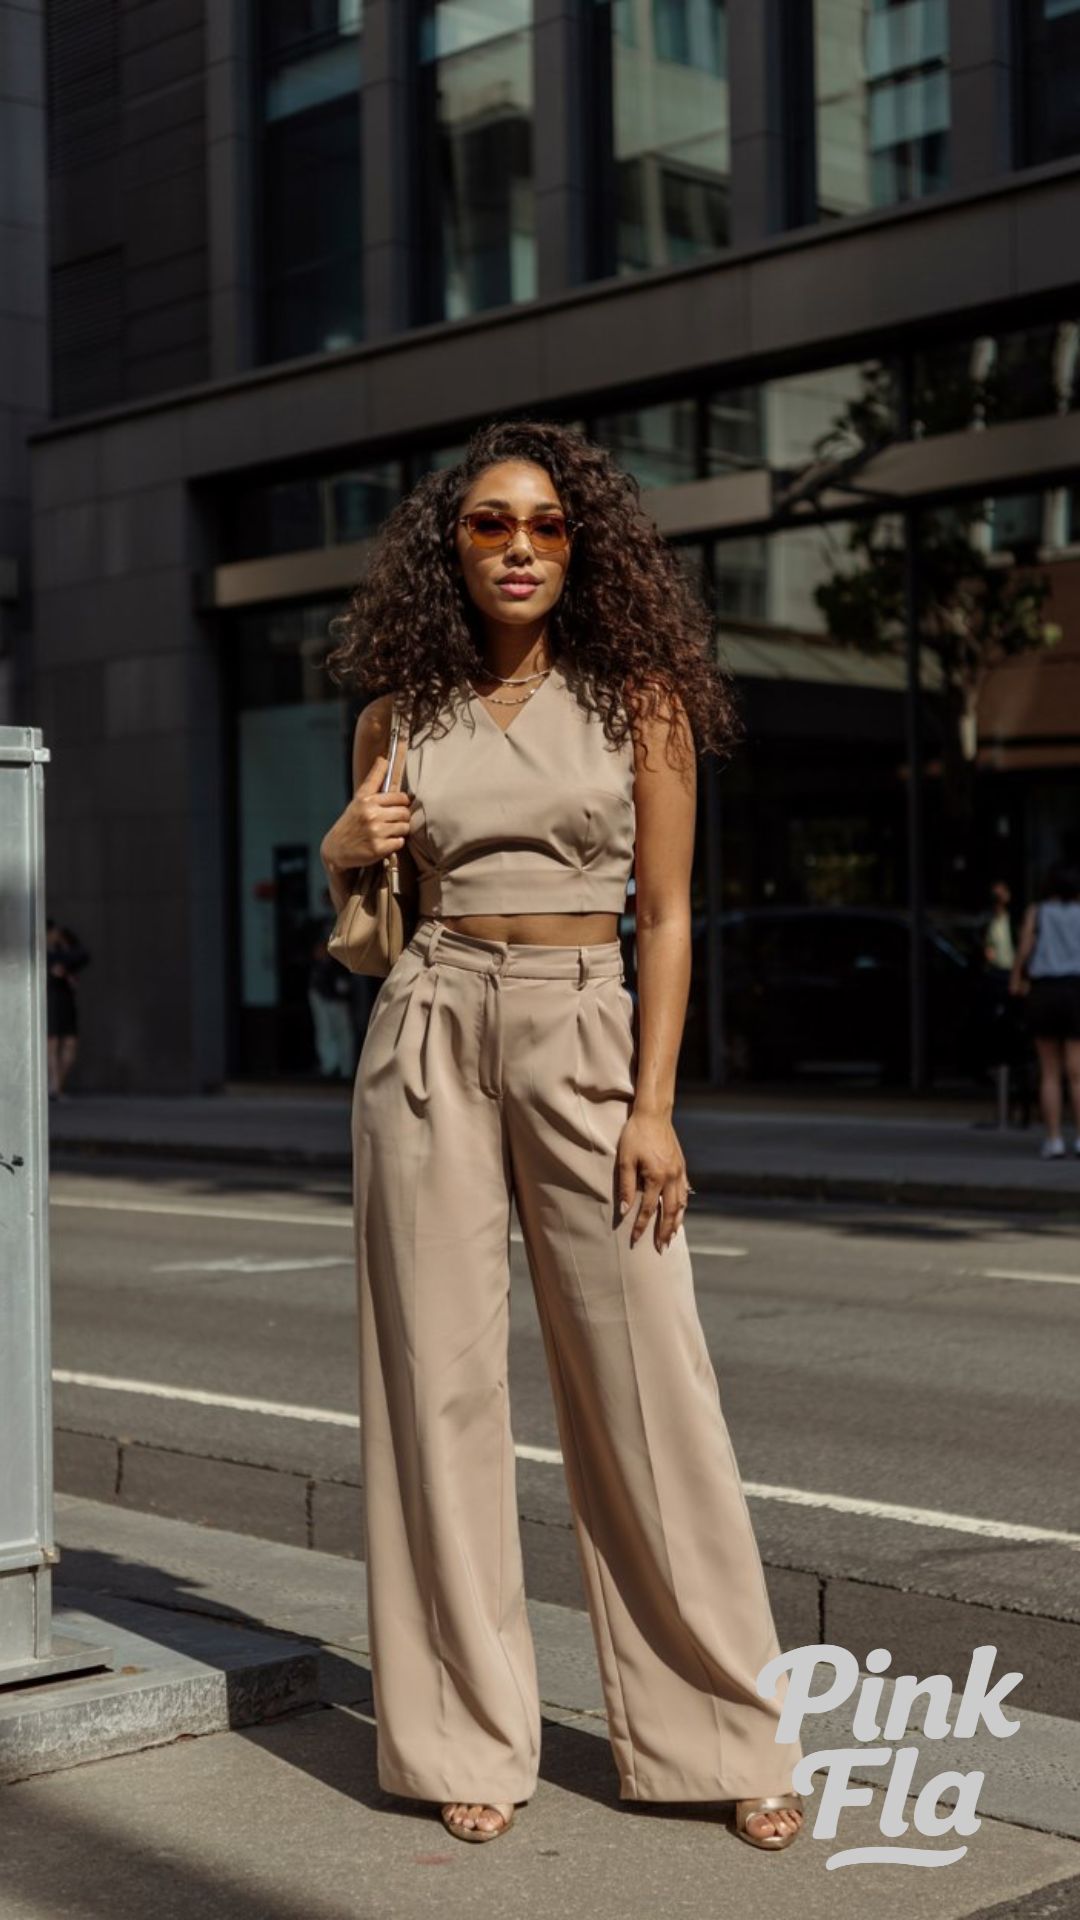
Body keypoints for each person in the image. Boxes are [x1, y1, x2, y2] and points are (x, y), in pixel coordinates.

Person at [319, 419, 805, 1852]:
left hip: (591, 1031)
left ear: (581, 546)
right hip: (431, 1026)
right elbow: (366, 929)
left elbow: (664, 915)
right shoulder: (397, 712)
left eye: (543, 524)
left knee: (653, 1384)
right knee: (439, 1395)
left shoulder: (637, 699)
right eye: (488, 524)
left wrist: (655, 1106)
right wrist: (350, 846)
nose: (518, 546)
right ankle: (464, 1733)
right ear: (450, 548)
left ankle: (727, 1730)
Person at [1009, 860, 1080, 1158]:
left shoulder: (1036, 913)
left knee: (1049, 1070)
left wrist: (1014, 980)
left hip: (1045, 991)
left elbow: (1025, 950)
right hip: (1076, 990)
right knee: (1078, 1073)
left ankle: (1053, 1139)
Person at [45, 920, 90, 1101]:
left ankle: (56, 1085)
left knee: (70, 1045)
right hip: (49, 998)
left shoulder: (63, 950)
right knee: (53, 1043)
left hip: (65, 999)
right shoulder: (41, 953)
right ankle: (54, 1087)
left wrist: (64, 963)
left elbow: (83, 955)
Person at [307, 926, 355, 1080]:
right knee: (326, 1033)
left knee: (342, 1034)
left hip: (336, 1000)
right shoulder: (318, 966)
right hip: (323, 998)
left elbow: (343, 984)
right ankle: (330, 1065)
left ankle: (344, 1068)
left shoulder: (337, 963)